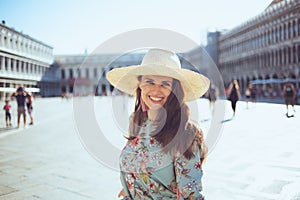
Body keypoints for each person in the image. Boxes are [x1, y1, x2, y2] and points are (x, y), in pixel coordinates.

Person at [106, 48, 210, 199]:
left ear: (175, 90)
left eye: (165, 84)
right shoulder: (136, 122)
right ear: (140, 85)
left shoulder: (186, 133)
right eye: (149, 81)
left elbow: (190, 196)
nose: (156, 90)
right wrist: (133, 187)